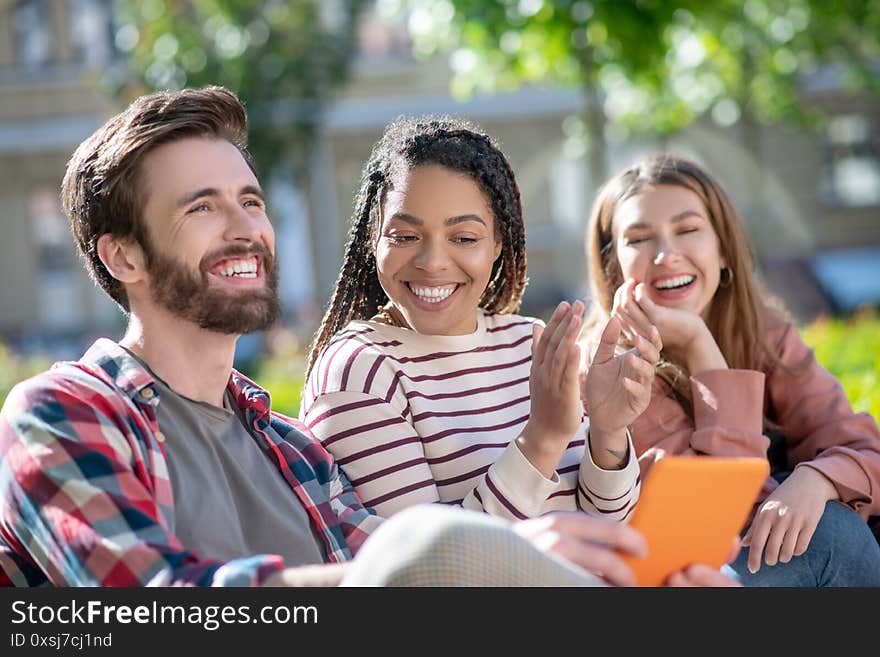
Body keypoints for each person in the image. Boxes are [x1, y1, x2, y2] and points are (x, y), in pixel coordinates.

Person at [0, 87, 734, 588]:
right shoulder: (64, 413)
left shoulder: (290, 451)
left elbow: (413, 584)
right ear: (122, 254)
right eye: (203, 207)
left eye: (250, 201)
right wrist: (477, 561)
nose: (246, 227)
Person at [300, 116, 663, 525]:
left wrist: (609, 432)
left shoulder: (529, 343)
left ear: (497, 244)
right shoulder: (361, 370)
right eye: (404, 236)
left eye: (464, 238)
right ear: (373, 240)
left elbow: (609, 521)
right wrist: (540, 440)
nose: (432, 262)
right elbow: (426, 564)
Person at [581, 152, 880, 586]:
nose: (666, 254)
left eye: (688, 230)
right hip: (683, 578)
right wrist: (701, 346)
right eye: (639, 239)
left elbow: (866, 451)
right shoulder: (610, 368)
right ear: (614, 267)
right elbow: (724, 517)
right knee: (832, 537)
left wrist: (818, 480)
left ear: (723, 249)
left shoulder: (762, 333)